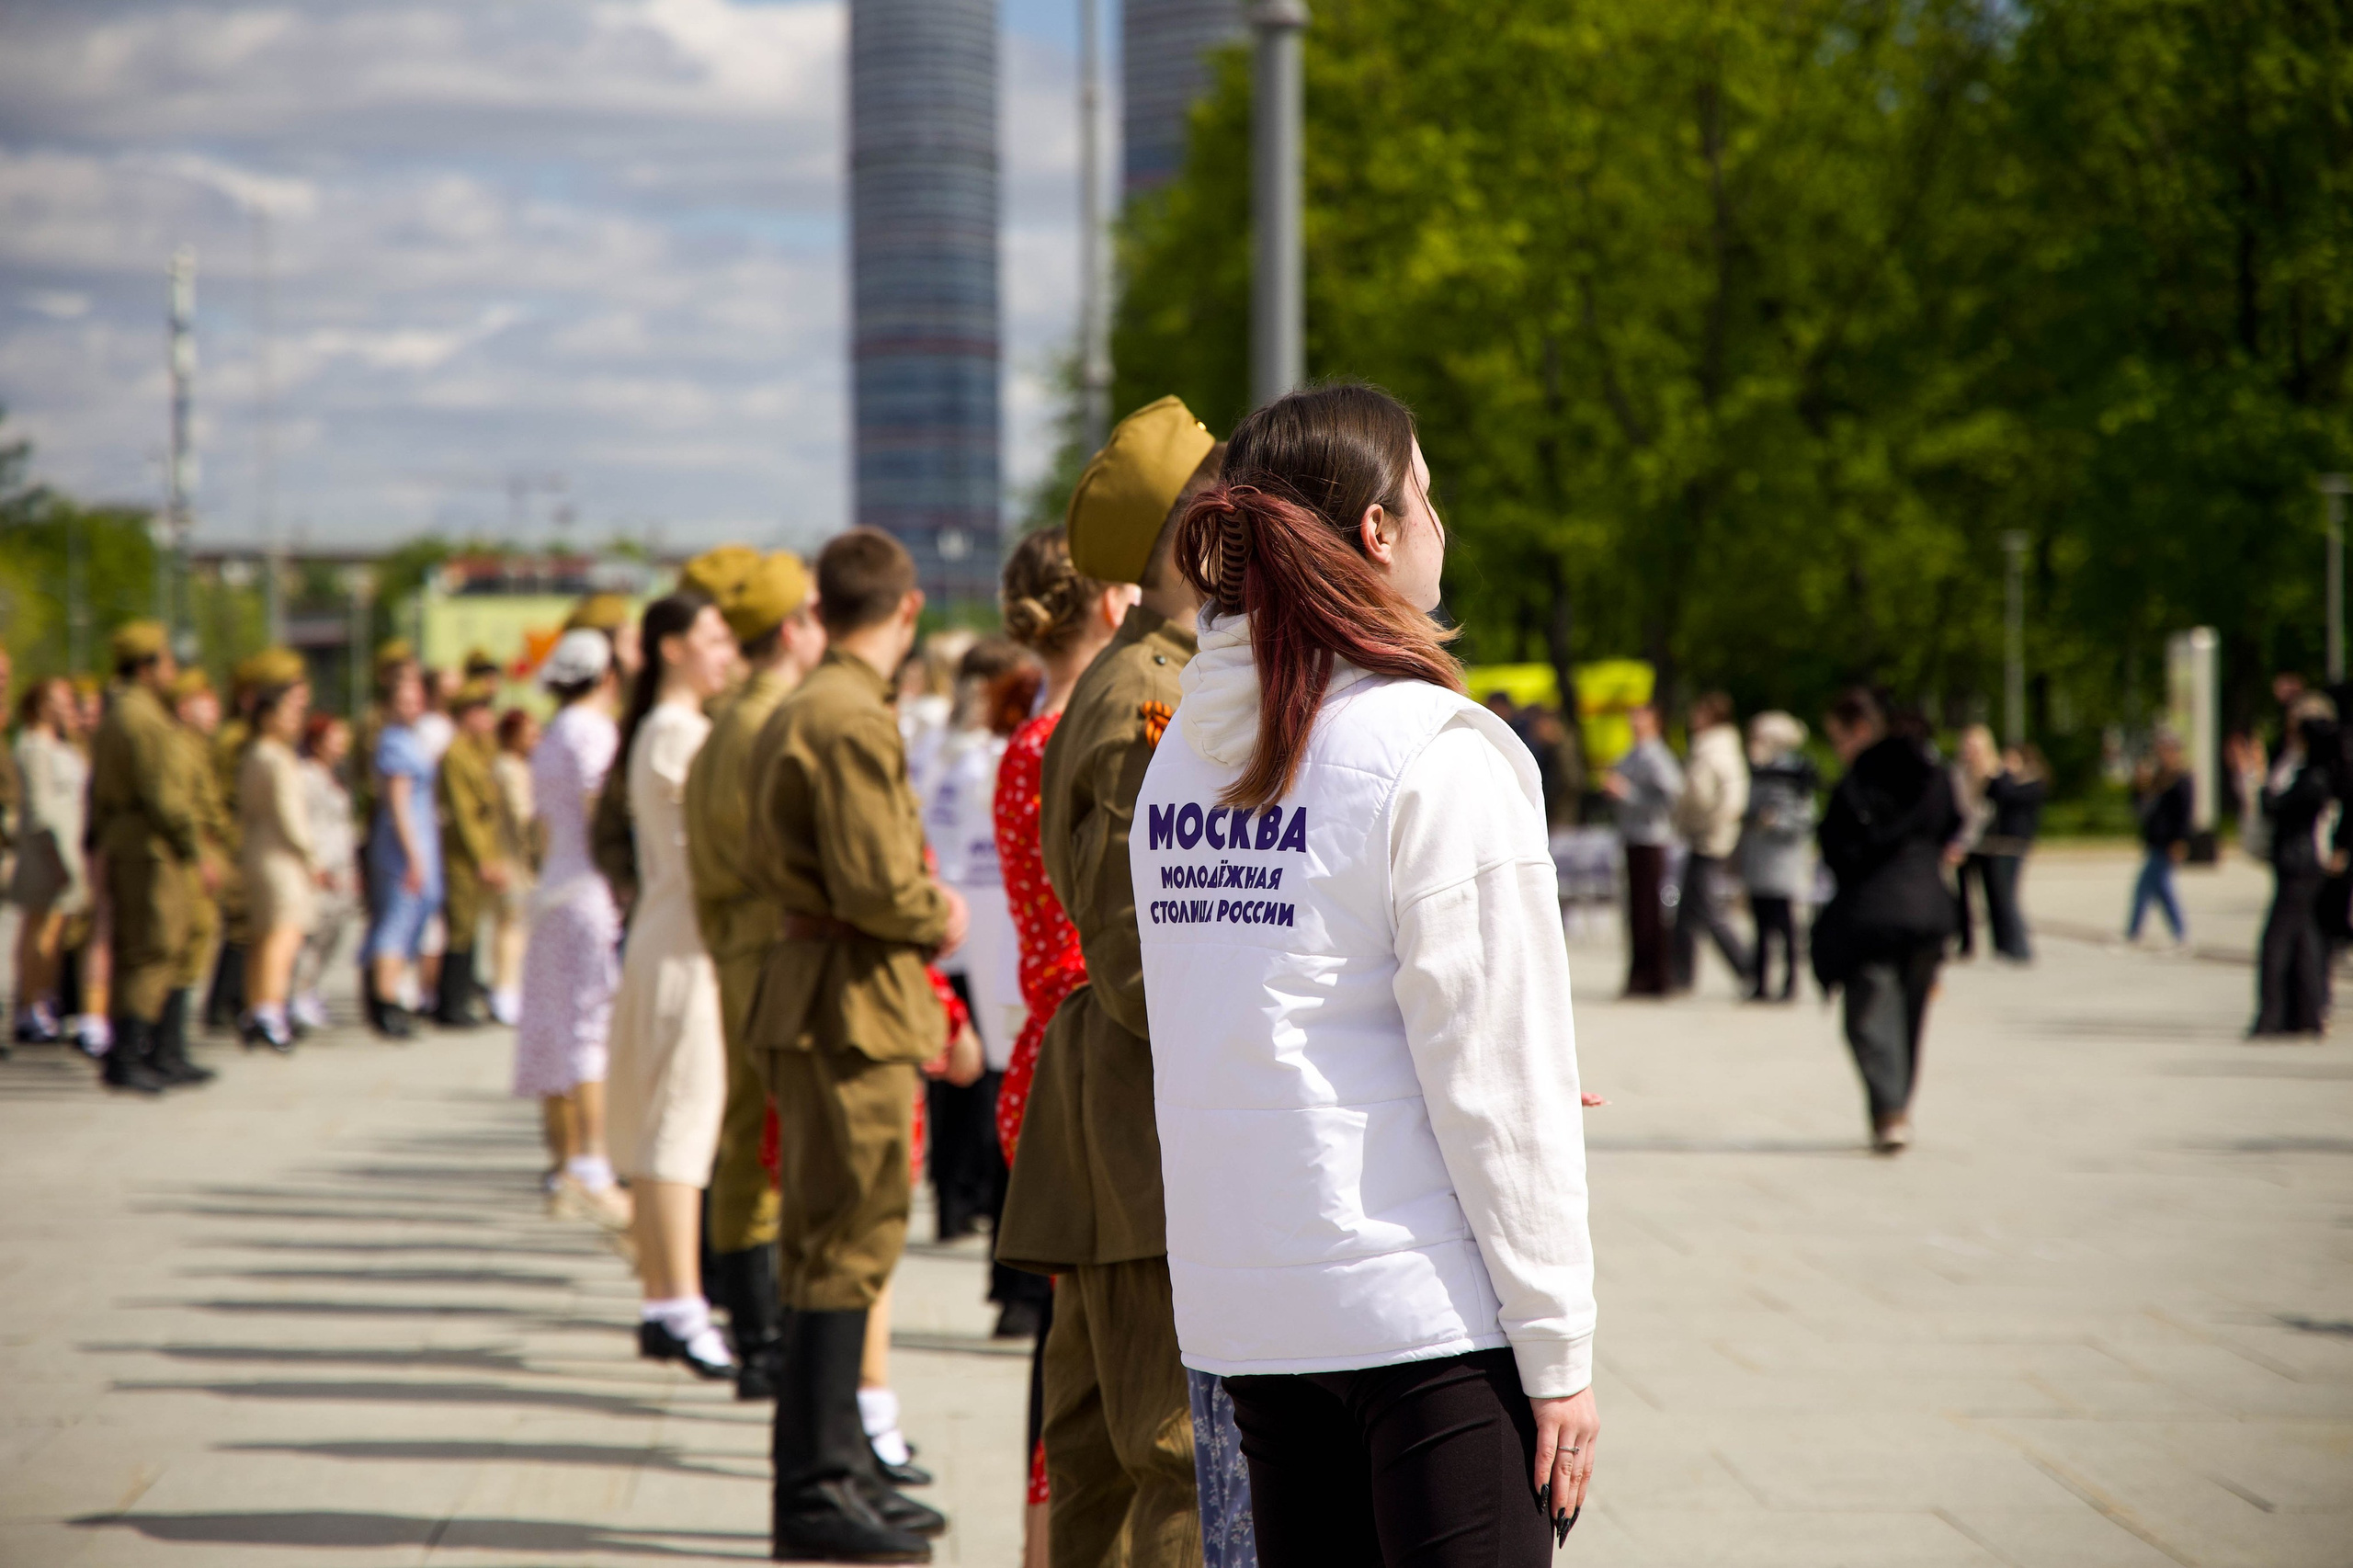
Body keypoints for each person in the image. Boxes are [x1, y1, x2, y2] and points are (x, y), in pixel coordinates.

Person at [1130, 383, 1597, 1565]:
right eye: (1427, 492)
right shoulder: (1434, 753)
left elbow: (1247, 1006)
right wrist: (1559, 1350)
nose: (1443, 520)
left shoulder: (1179, 755)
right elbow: (1497, 1088)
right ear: (1378, 531)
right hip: (1420, 1312)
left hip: (1254, 1307)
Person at [995, 395, 1245, 1568]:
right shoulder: (1151, 691)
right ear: (1199, 525)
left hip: (1111, 1111)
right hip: (1139, 1116)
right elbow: (1135, 947)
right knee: (1171, 1454)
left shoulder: (1152, 672)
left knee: (1103, 1454)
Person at [745, 528, 964, 1561]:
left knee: (836, 1234)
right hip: (846, 998)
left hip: (824, 991)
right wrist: (939, 912)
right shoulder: (844, 713)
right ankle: (818, 1481)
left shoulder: (815, 700)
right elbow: (879, 882)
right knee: (846, 1236)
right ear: (906, 608)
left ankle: (838, 1464)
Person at [994, 522, 1142, 1561]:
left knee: (1069, 1361)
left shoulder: (1021, 741)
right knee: (1110, 1372)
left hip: (1039, 1052)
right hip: (1096, 1052)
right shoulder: (1099, 731)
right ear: (1102, 601)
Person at [682, 549, 824, 1403]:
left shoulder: (742, 715)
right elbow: (770, 863)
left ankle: (757, 1327)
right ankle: (761, 1335)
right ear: (789, 627)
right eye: (809, 611)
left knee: (750, 1133)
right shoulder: (761, 721)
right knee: (761, 1137)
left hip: (745, 945)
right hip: (761, 948)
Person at [604, 589, 741, 1380]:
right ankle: (681, 1303)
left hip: (676, 941)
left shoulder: (671, 729)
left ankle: (666, 1300)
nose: (725, 652)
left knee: (671, 1125)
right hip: (684, 948)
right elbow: (714, 855)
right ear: (670, 649)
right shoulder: (677, 733)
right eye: (713, 637)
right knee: (679, 1130)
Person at [515, 627, 631, 1229]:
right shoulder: (594, 731)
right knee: (591, 1026)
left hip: (555, 884)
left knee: (555, 1024)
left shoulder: (553, 733)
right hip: (590, 887)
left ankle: (564, 1159)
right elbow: (599, 813)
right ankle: (592, 1159)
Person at [1812, 690, 1960, 1153]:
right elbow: (1952, 825)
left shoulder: (1862, 779)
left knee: (1871, 1017)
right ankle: (1896, 1109)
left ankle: (1890, 1111)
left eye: (1838, 738)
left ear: (1859, 730)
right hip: (1930, 909)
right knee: (1910, 1017)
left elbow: (1839, 848)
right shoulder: (1933, 772)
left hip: (1872, 913)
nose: (1837, 749)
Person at [924, 636, 1031, 1244]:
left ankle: (974, 1209)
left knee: (987, 1082)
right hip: (963, 926)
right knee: (963, 1081)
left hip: (995, 928)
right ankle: (953, 1203)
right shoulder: (952, 749)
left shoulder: (997, 749)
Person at [87, 622, 211, 1093]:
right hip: (151, 845)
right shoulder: (142, 718)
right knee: (153, 948)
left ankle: (148, 1052)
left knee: (145, 946)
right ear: (146, 667)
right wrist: (189, 845)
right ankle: (131, 1055)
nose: (172, 670)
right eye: (166, 661)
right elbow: (163, 795)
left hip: (132, 839)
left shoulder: (123, 711)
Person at [233, 649, 317, 1051]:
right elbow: (291, 817)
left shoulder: (253, 752)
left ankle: (257, 1008)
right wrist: (310, 857)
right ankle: (270, 1011)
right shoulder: (276, 756)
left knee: (264, 936)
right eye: (289, 709)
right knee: (284, 935)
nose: (295, 719)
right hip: (281, 857)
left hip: (257, 851)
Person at [2243, 694, 2338, 1038]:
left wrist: (2259, 783)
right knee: (2303, 938)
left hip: (2300, 862)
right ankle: (2306, 1013)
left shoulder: (2315, 768)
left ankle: (2271, 1016)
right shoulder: (2298, 761)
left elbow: (2278, 804)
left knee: (2276, 941)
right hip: (2295, 860)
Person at [362, 660, 441, 1040]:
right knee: (397, 919)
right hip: (402, 844)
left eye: (417, 700)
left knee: (409, 919)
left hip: (417, 840)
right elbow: (398, 803)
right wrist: (413, 855)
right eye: (404, 701)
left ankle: (393, 996)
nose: (413, 707)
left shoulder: (409, 738)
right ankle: (385, 999)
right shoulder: (394, 741)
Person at [12, 677, 90, 1044]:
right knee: (39, 929)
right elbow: (40, 807)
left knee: (55, 931)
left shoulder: (62, 745)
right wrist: (56, 858)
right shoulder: (33, 746)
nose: (66, 705)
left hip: (67, 848)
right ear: (40, 704)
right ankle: (30, 1005)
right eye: (59, 699)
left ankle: (42, 1000)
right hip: (47, 850)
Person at [432, 677, 508, 1028]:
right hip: (463, 855)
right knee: (461, 928)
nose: (487, 718)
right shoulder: (455, 754)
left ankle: (462, 999)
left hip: (484, 849)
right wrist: (483, 859)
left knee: (473, 926)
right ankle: (451, 1004)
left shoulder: (482, 748)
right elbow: (464, 814)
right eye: (481, 711)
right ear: (465, 714)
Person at [1670, 691, 1753, 992]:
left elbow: (1718, 794)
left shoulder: (1715, 749)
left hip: (1709, 836)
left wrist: (1708, 822)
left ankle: (1746, 966)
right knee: (1687, 910)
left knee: (1705, 908)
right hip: (1705, 834)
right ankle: (1680, 973)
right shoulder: (1716, 747)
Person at [1604, 704, 1682, 997]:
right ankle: (1640, 974)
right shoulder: (1634, 752)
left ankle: (1656, 976)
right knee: (1637, 910)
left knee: (1651, 910)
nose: (1634, 722)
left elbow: (1671, 793)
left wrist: (1627, 794)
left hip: (1651, 836)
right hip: (1633, 836)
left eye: (1641, 717)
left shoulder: (1655, 754)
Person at [1738, 710, 1816, 1002]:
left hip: (1782, 860)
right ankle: (1760, 982)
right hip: (1759, 857)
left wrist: (1775, 821)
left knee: (1784, 926)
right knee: (1759, 925)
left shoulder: (1795, 772)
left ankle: (1789, 982)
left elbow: (1804, 816)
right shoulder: (1760, 769)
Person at [291, 713, 358, 1033]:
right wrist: (314, 864)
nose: (342, 743)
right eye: (335, 736)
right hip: (320, 863)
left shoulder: (335, 776)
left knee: (334, 931)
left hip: (340, 864)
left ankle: (311, 988)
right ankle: (297, 993)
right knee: (312, 935)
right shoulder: (306, 776)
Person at [488, 707, 540, 1026]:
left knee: (517, 926)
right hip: (512, 857)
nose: (536, 739)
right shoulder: (507, 767)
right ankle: (504, 990)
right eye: (530, 733)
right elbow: (521, 815)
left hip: (520, 858)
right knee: (510, 926)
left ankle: (510, 988)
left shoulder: (520, 765)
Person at [1977, 743, 2046, 960]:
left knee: (2008, 897)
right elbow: (1990, 792)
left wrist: (2006, 773)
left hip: (2014, 844)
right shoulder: (2006, 781)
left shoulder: (2032, 783)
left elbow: (2008, 795)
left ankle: (2020, 947)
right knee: (1998, 897)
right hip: (1996, 844)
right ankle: (2004, 946)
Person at [2127, 733, 2192, 947]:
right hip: (2155, 840)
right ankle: (2176, 933)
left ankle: (2137, 933)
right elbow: (2141, 806)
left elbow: (2184, 813)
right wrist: (2139, 784)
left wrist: (2180, 841)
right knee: (2157, 889)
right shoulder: (2158, 777)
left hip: (2168, 842)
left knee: (2149, 888)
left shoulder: (2182, 778)